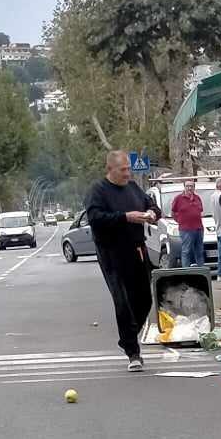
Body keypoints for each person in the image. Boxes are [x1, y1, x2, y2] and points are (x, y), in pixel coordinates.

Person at [84, 150, 160, 371]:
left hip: (138, 249)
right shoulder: (97, 191)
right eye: (123, 170)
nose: (128, 174)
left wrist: (153, 214)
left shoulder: (134, 187)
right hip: (112, 253)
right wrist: (126, 217)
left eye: (129, 169)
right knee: (123, 301)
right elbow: (95, 218)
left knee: (145, 299)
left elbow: (152, 205)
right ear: (110, 170)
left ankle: (127, 337)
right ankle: (133, 353)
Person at [171, 178, 207, 268]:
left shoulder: (197, 198)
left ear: (194, 187)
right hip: (186, 230)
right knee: (186, 251)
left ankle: (201, 271)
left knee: (199, 251)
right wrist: (180, 221)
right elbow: (173, 213)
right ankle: (186, 272)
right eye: (187, 186)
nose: (189, 188)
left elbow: (200, 211)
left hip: (199, 229)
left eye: (191, 186)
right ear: (184, 187)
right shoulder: (178, 198)